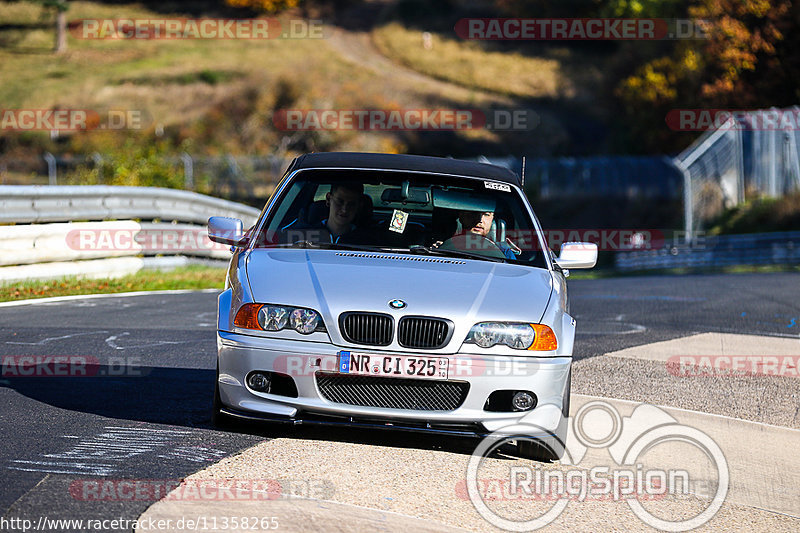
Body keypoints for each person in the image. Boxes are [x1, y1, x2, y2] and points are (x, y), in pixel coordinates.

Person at [433, 208, 520, 259]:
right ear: (461, 216)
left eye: (486, 214)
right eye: (473, 213)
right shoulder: (443, 246)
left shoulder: (504, 251)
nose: (479, 220)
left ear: (492, 219)